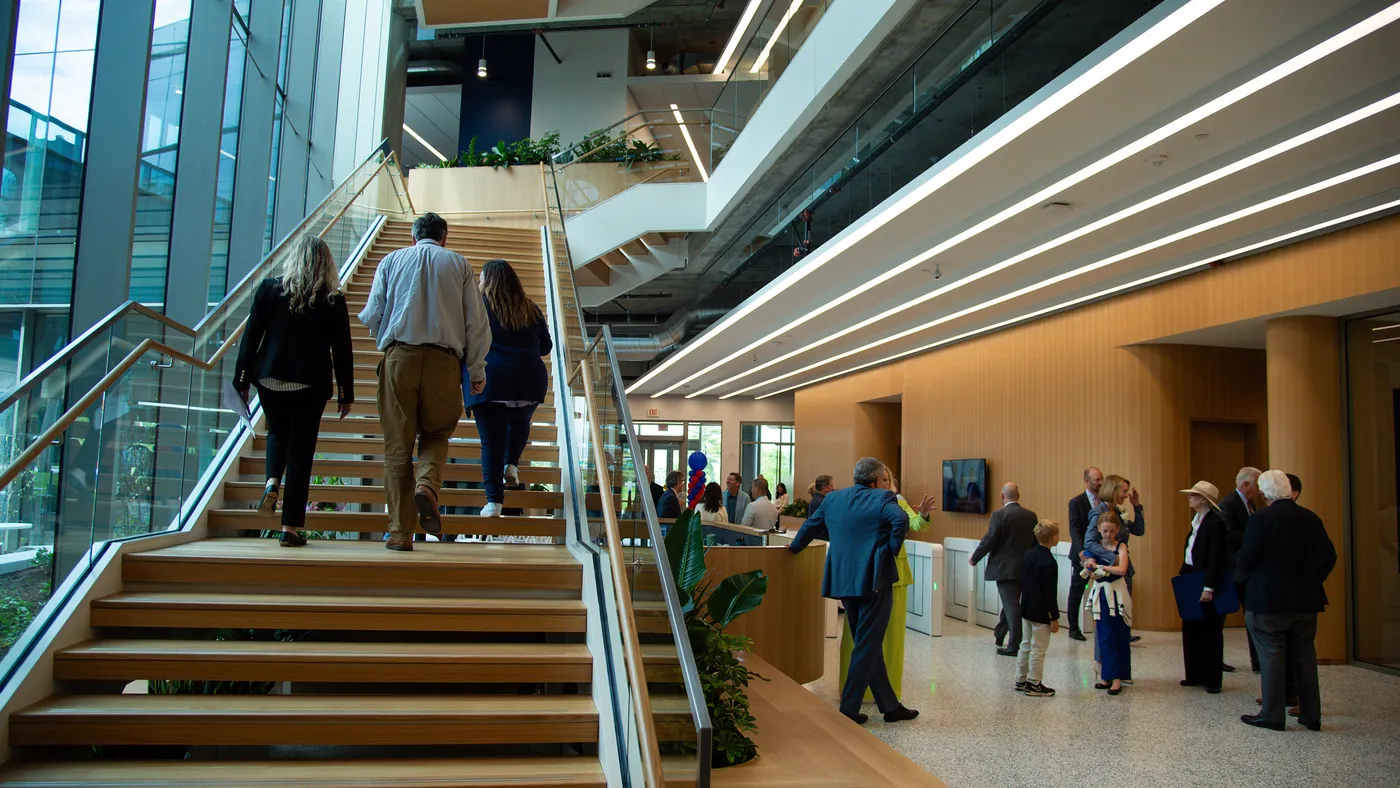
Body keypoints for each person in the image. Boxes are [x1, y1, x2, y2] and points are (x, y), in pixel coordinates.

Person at [359, 212, 491, 551]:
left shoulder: (390, 261)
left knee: (397, 447)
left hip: (399, 358)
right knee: (435, 433)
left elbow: (372, 315)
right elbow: (476, 324)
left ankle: (400, 533)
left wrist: (390, 340)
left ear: (412, 237)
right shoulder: (459, 264)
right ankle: (427, 485)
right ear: (444, 237)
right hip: (445, 363)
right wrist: (476, 372)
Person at [234, 236, 355, 548]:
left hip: (270, 378)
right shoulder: (332, 299)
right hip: (309, 383)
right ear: (326, 263)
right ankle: (290, 528)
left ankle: (272, 480)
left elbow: (251, 337)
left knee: (276, 433)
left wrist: (242, 380)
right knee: (301, 451)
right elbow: (342, 350)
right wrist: (346, 392)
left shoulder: (269, 289)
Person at [790, 457, 919, 725]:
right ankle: (849, 707)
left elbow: (810, 526)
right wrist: (889, 551)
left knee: (867, 641)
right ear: (875, 481)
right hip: (874, 580)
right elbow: (901, 522)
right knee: (868, 642)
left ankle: (890, 707)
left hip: (844, 580)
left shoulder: (833, 499)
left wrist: (793, 549)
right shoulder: (883, 498)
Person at [1237, 470, 1336, 732]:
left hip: (1268, 601)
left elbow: (1247, 558)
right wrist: (1311, 580)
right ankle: (1311, 715)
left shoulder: (1261, 519)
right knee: (1304, 656)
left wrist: (1246, 582)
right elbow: (1329, 555)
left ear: (1264, 492)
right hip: (1305, 601)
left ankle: (1272, 714)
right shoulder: (1310, 518)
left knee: (1271, 655)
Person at [465, 259, 552, 518]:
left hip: (492, 380)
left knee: (491, 443)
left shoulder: (478, 306)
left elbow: (466, 340)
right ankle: (512, 463)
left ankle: (494, 502)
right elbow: (546, 347)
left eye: (481, 278)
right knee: (520, 419)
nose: (479, 282)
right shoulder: (530, 308)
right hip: (529, 380)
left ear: (487, 281)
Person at [839, 472, 934, 701]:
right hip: (863, 573)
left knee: (891, 636)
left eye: (885, 479)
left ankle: (886, 694)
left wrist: (923, 513)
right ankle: (854, 691)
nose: (881, 483)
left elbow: (916, 524)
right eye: (877, 479)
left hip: (894, 575)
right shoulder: (856, 501)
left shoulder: (897, 501)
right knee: (856, 635)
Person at [969, 482, 1039, 656]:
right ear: (1018, 496)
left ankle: (1015, 645)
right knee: (1012, 604)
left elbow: (990, 539)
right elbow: (1035, 542)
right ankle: (1000, 632)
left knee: (1012, 605)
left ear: (1002, 496)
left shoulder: (999, 515)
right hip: (1025, 567)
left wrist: (975, 557)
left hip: (1004, 569)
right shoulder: (1031, 516)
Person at [1177, 481, 1228, 694]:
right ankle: (1194, 674)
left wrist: (1209, 586)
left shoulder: (1215, 523)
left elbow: (1216, 557)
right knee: (1191, 626)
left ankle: (1212, 678)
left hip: (1205, 578)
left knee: (1210, 629)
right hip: (1191, 574)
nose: (1190, 498)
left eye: (1194, 495)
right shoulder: (1197, 520)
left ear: (1204, 499)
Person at [1085, 474, 1145, 643]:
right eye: (1124, 491)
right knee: (1110, 614)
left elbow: (1139, 530)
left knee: (1124, 609)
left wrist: (1137, 507)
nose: (1126, 495)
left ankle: (1122, 637)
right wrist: (1113, 557)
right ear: (1113, 490)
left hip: (1124, 571)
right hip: (1107, 572)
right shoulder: (1098, 512)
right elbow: (1089, 541)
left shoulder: (1119, 511)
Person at [1084, 508, 1132, 694]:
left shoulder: (1121, 546)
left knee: (1118, 633)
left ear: (1117, 530)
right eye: (1105, 531)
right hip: (1101, 594)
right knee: (1104, 635)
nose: (1108, 535)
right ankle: (1105, 674)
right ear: (1098, 528)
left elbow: (1122, 569)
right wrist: (1091, 568)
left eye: (1112, 531)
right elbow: (1091, 574)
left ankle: (1118, 677)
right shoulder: (1095, 546)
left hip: (1117, 594)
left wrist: (1101, 567)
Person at [1218, 466, 1261, 672]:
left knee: (1253, 614)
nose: (1259, 491)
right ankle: (1216, 659)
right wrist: (1255, 538)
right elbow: (1229, 535)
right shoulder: (1229, 504)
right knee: (1222, 616)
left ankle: (1258, 660)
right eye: (1256, 486)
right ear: (1246, 485)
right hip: (1232, 568)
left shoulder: (1250, 504)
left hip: (1245, 568)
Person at [1016, 519, 1061, 697]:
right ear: (1053, 537)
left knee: (1025, 644)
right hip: (1041, 611)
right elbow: (1049, 593)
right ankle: (1034, 683)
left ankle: (1020, 679)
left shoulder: (1028, 554)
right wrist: (1054, 617)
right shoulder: (1049, 562)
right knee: (1039, 648)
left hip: (1026, 607)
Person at [1066, 466, 1103, 641]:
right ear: (1087, 481)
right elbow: (1074, 529)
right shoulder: (1076, 502)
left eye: (1101, 479)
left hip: (1102, 553)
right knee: (1077, 590)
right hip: (1082, 554)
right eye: (1097, 479)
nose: (1101, 482)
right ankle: (1073, 628)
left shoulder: (1104, 501)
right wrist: (1082, 551)